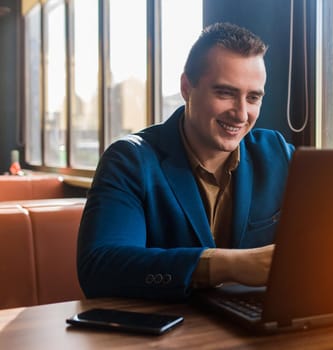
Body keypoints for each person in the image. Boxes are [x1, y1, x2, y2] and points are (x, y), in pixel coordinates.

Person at [77, 22, 295, 301]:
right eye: (225, 93)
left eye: (253, 97)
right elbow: (99, 269)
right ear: (186, 88)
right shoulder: (130, 160)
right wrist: (232, 265)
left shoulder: (276, 152)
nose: (241, 114)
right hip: (165, 336)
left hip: (254, 328)